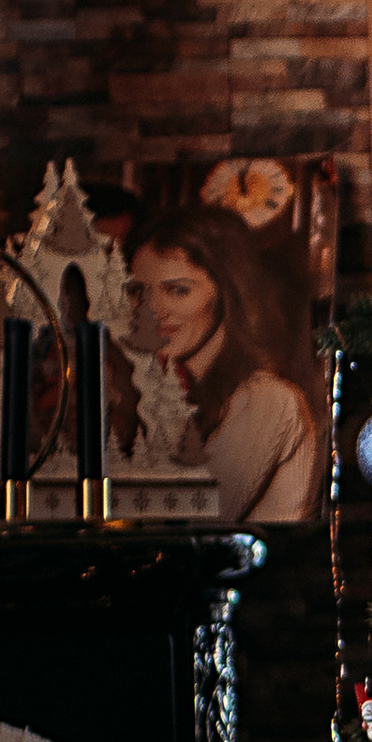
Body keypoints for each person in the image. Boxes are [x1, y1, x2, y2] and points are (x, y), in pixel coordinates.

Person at [128, 201, 322, 522]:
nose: (152, 311)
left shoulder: (265, 398)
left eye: (178, 290)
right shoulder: (179, 390)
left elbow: (194, 519)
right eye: (138, 292)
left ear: (227, 292)